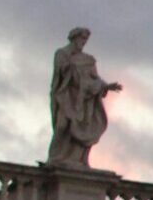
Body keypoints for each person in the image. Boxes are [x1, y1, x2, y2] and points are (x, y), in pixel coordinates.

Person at [45, 27, 121, 169]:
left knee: (82, 128)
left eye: (86, 40)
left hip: (84, 101)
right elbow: (62, 76)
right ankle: (55, 158)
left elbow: (95, 78)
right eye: (82, 39)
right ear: (74, 38)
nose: (84, 42)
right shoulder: (62, 54)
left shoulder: (88, 60)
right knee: (62, 126)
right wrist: (75, 73)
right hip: (66, 96)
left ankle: (78, 160)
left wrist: (106, 86)